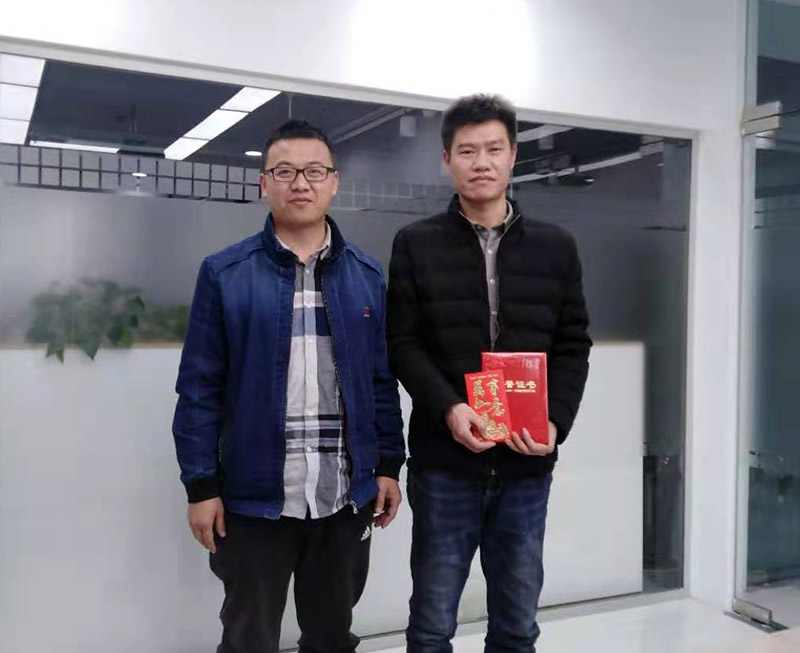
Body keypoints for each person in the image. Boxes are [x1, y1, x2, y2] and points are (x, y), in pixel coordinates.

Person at [172, 119, 405, 653]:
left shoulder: (366, 275)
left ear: (334, 182)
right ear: (264, 183)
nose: (301, 182)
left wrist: (390, 464)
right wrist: (201, 486)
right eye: (284, 171)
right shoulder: (225, 273)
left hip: (343, 497)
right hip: (254, 501)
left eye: (315, 171)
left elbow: (380, 379)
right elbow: (199, 389)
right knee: (248, 638)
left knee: (331, 636)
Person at [387, 94, 592, 652]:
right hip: (445, 461)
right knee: (432, 622)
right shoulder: (416, 244)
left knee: (517, 622)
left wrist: (555, 422)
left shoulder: (556, 247)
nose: (482, 162)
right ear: (447, 160)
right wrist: (449, 409)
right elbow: (402, 343)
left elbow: (573, 343)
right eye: (468, 151)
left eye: (494, 149)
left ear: (513, 155)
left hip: (526, 464)